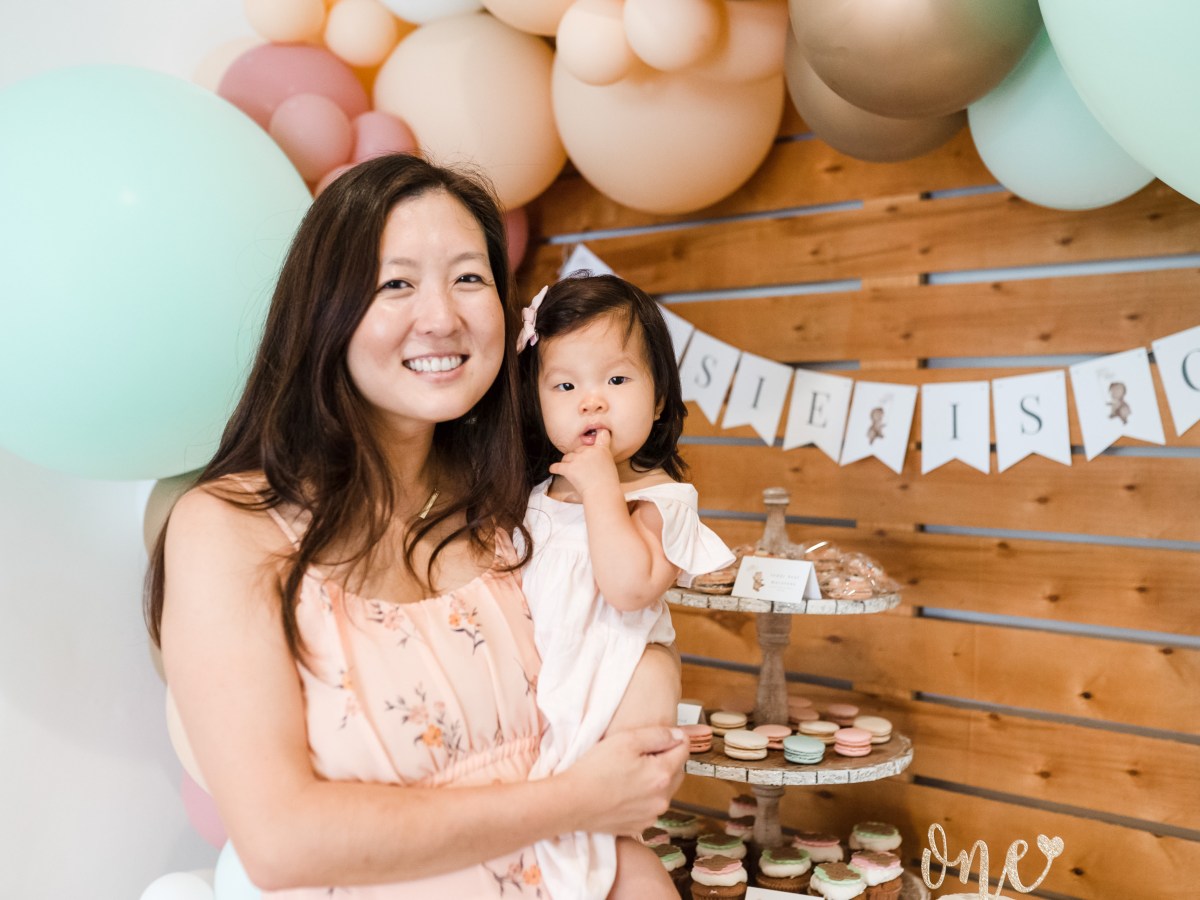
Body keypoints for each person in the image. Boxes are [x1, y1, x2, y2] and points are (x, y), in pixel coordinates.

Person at [144, 154, 689, 898]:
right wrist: (577, 801)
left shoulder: (517, 511)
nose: (441, 317)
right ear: (325, 310)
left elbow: (625, 663)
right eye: (396, 283)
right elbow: (281, 841)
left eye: (469, 278)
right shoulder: (228, 531)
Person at [517, 274, 735, 899]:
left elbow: (629, 587)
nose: (592, 402)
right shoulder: (532, 497)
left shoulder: (662, 499)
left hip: (611, 700)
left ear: (660, 398)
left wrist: (600, 489)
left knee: (600, 849)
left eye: (616, 380)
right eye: (565, 386)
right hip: (538, 696)